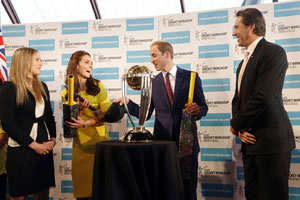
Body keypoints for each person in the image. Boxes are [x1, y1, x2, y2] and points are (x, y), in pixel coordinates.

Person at [114, 40, 208, 200]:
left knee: (188, 190)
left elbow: (203, 106)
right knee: (164, 191)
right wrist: (128, 103)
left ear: (166, 54)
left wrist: (198, 110)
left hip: (186, 145)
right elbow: (146, 113)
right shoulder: (153, 82)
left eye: (154, 55)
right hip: (161, 146)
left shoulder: (191, 77)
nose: (151, 60)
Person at [230, 8, 295, 200]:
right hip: (250, 142)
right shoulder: (243, 63)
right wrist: (240, 128)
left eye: (237, 27)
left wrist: (235, 124)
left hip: (271, 142)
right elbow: (238, 99)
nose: (234, 33)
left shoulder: (273, 52)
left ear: (251, 27)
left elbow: (263, 96)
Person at [0, 47, 56, 199]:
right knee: (18, 194)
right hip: (21, 149)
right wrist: (34, 145)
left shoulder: (42, 86)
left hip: (44, 148)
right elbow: (8, 124)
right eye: (37, 60)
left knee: (43, 192)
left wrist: (53, 140)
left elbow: (49, 116)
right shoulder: (9, 87)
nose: (41, 64)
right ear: (25, 62)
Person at [61, 50, 111, 200]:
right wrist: (80, 111)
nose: (91, 66)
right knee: (83, 194)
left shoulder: (98, 86)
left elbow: (108, 115)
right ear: (76, 66)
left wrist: (87, 122)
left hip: (100, 145)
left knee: (102, 191)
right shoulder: (67, 91)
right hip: (80, 148)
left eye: (91, 63)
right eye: (87, 62)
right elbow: (70, 123)